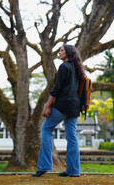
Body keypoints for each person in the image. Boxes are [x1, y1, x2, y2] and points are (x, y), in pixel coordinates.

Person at [32, 44, 85, 177]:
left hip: (63, 105)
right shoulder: (77, 68)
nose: (59, 53)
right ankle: (74, 171)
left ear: (68, 52)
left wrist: (47, 105)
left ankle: (44, 166)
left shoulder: (64, 66)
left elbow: (57, 89)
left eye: (61, 51)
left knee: (46, 129)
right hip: (74, 107)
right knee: (72, 136)